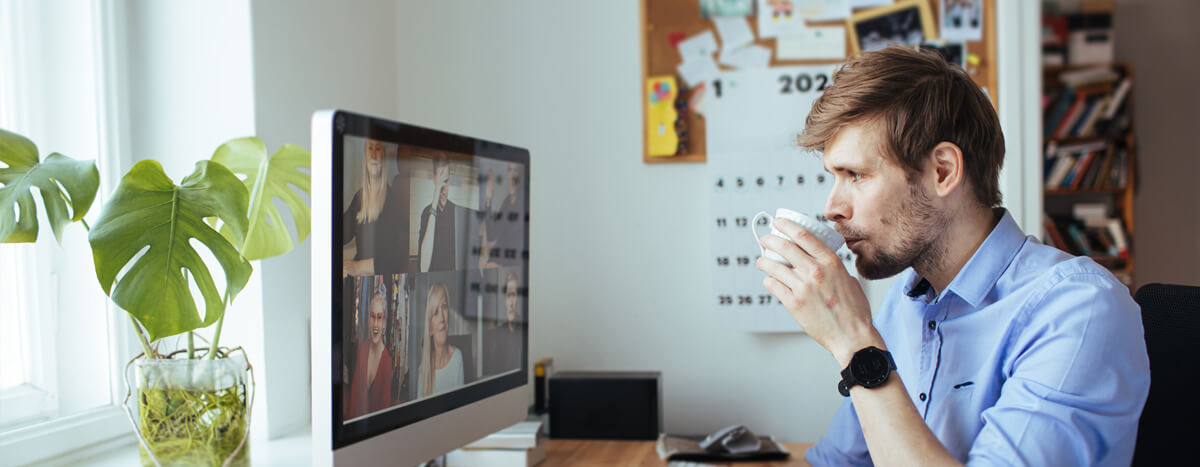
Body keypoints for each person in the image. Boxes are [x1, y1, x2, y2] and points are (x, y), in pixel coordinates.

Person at [754, 47, 1149, 466]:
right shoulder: (903, 306)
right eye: (834, 177)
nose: (832, 206)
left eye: (856, 175)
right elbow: (840, 462)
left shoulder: (1080, 310)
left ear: (942, 170)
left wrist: (855, 343)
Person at [343, 137, 409, 277]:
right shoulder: (359, 197)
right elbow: (343, 233)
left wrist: (357, 267)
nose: (373, 155)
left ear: (384, 157)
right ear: (365, 157)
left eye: (378, 149)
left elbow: (394, 258)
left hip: (377, 278)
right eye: (370, 149)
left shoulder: (392, 200)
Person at [345, 280, 393, 419]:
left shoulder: (387, 362)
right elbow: (354, 398)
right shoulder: (362, 349)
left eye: (380, 317)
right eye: (372, 316)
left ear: (384, 322)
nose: (376, 324)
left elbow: (384, 411)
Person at [418, 282, 464, 396]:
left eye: (444, 307)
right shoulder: (422, 370)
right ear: (429, 328)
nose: (442, 318)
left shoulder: (457, 358)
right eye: (435, 312)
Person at [418, 154, 460, 272]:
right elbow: (423, 266)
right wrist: (436, 195)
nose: (443, 187)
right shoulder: (426, 213)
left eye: (446, 181)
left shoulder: (456, 212)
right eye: (440, 181)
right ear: (434, 178)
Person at [484, 271, 523, 375]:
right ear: (505, 299)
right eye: (508, 295)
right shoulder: (498, 334)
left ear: (518, 298)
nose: (511, 302)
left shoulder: (525, 330)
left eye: (513, 295)